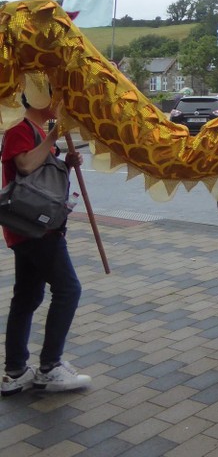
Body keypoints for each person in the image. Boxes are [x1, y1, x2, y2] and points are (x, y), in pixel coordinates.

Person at [2, 90, 90, 396]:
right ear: (38, 97)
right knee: (68, 289)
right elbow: (25, 166)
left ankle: (15, 371)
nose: (58, 104)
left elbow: (40, 175)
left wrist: (64, 164)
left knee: (26, 298)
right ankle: (50, 367)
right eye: (55, 96)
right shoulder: (19, 128)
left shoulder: (34, 130)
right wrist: (53, 136)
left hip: (30, 228)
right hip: (35, 229)